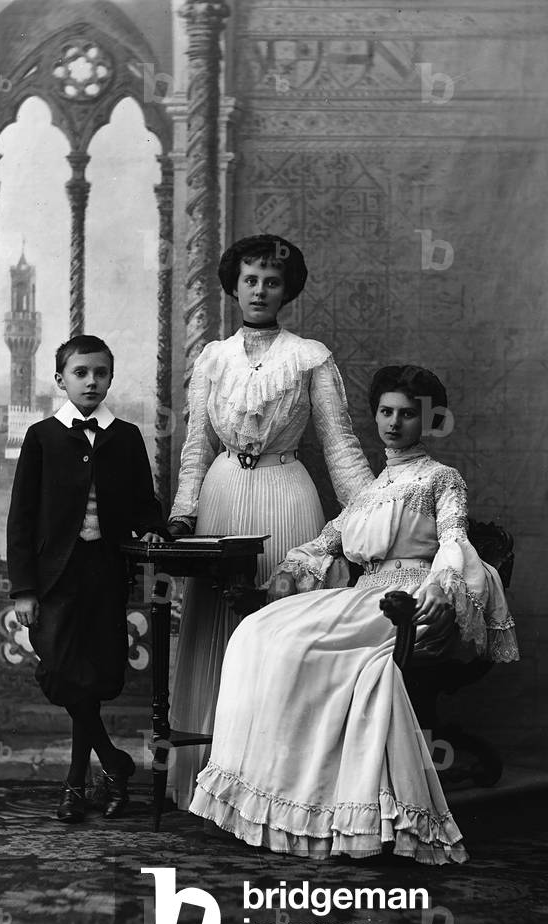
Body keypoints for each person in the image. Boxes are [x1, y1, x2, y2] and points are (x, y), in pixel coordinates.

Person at [189, 365, 519, 863]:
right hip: (365, 594)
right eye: (386, 412)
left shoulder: (441, 479)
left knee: (302, 650)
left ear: (427, 422)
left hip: (406, 599)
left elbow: (454, 540)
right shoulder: (369, 490)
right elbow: (327, 542)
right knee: (256, 633)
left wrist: (440, 585)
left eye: (407, 414)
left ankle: (330, 800)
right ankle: (273, 791)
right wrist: (290, 571)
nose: (394, 423)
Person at [167, 234, 373, 809]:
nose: (260, 290)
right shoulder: (212, 359)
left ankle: (278, 788)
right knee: (218, 627)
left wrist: (376, 515)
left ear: (288, 290)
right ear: (234, 287)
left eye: (272, 281)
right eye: (250, 280)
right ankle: (211, 780)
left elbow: (340, 446)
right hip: (221, 498)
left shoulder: (310, 357)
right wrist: (183, 514)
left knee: (281, 631)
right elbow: (196, 449)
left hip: (287, 497)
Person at [7, 335, 167, 824]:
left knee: (92, 678)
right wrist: (24, 589)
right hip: (55, 577)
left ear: (110, 378)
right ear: (61, 380)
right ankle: (114, 762)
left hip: (104, 572)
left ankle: (76, 784)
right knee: (59, 671)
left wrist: (154, 527)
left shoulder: (125, 436)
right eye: (80, 373)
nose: (91, 381)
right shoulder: (42, 436)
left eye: (100, 373)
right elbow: (21, 517)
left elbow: (143, 502)